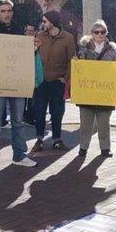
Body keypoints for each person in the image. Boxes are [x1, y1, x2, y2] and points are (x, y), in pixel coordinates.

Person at [0, 0, 37, 170]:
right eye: (3, 11)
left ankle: (19, 155)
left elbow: (25, 56)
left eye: (9, 10)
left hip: (17, 83)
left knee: (18, 121)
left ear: (12, 12)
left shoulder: (20, 30)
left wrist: (33, 47)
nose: (6, 14)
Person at [76, 20, 116, 157]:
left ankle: (105, 148)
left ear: (106, 33)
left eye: (102, 32)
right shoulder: (84, 49)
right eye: (96, 32)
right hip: (87, 92)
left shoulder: (112, 50)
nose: (100, 34)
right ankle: (83, 147)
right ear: (92, 34)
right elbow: (79, 68)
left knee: (104, 123)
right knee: (86, 123)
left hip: (105, 92)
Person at [32, 10, 76, 152]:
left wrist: (66, 78)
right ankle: (39, 139)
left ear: (53, 22)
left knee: (57, 112)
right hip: (41, 81)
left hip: (58, 81)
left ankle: (57, 139)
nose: (42, 24)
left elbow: (72, 60)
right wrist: (33, 49)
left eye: (45, 21)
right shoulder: (39, 36)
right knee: (39, 111)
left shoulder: (68, 38)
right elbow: (31, 55)